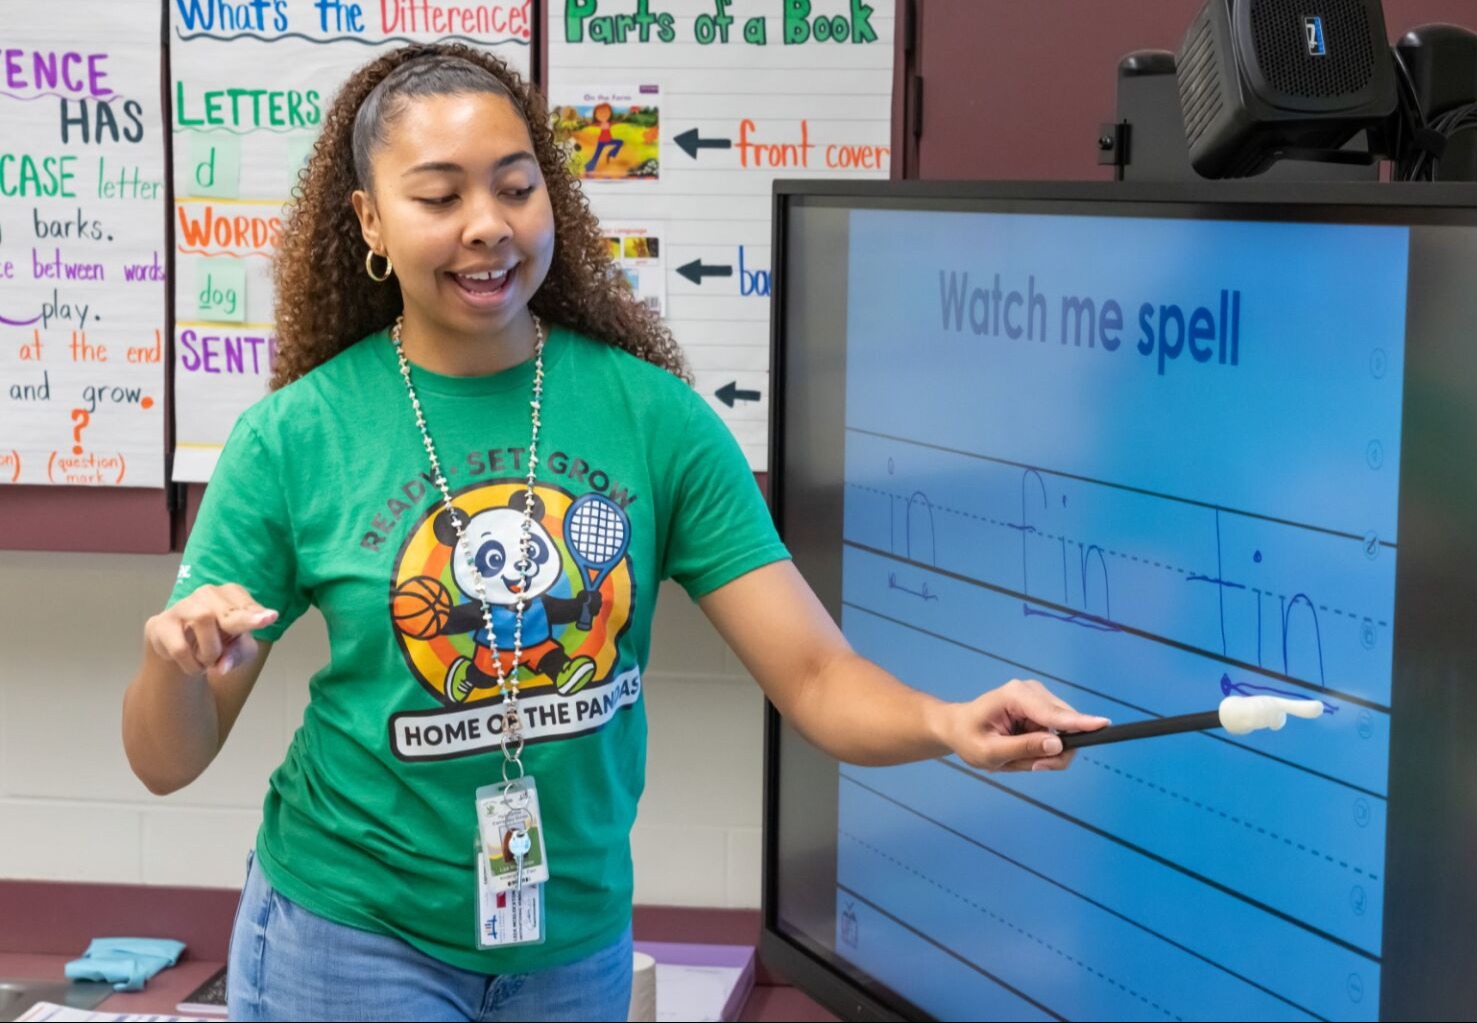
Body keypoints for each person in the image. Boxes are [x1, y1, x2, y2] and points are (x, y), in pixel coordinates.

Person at [120, 43, 1108, 1022]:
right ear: (372, 221)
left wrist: (948, 724)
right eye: (438, 197)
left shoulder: (654, 420)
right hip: (352, 942)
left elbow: (814, 677)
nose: (487, 228)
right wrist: (177, 664)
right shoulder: (297, 437)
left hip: (572, 944)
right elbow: (167, 759)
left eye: (516, 187)